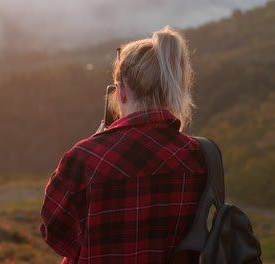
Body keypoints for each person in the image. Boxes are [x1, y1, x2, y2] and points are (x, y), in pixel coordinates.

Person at [40, 26, 207, 264]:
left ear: (121, 93)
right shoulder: (197, 157)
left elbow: (55, 235)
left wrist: (95, 143)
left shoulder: (84, 158)